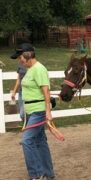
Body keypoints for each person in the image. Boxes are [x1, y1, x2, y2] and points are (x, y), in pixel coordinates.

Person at [11, 43, 55, 180]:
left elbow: (46, 91)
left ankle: (37, 174)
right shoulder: (30, 69)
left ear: (28, 55)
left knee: (27, 141)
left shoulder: (39, 69)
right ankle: (48, 173)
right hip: (31, 112)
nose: (20, 61)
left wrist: (48, 111)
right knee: (39, 141)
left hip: (38, 111)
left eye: (20, 58)